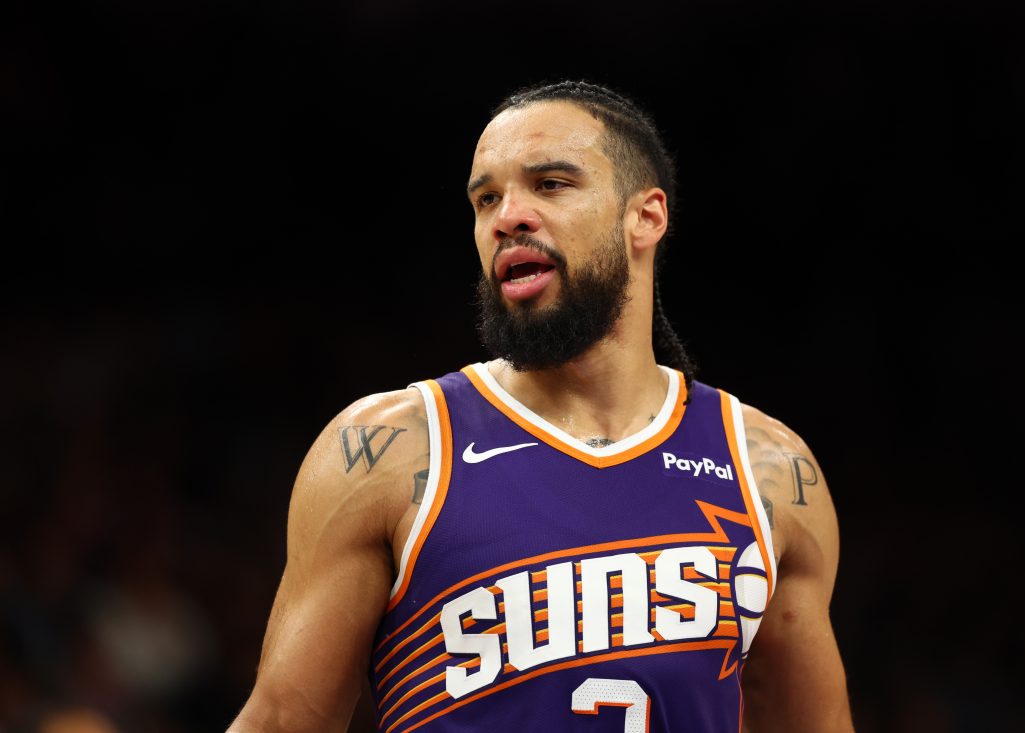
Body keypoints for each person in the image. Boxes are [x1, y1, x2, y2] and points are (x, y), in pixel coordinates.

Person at [227, 80, 854, 733]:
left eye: (551, 184)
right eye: (487, 198)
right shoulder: (389, 452)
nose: (508, 217)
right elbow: (279, 720)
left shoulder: (771, 471)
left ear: (647, 216)